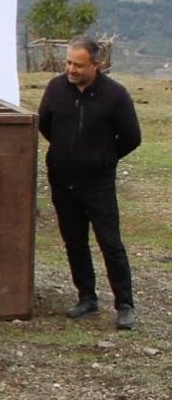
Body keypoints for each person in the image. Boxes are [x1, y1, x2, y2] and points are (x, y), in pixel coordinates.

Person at [38, 36, 141, 330]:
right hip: (62, 180)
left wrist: (104, 159)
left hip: (98, 184)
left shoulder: (115, 96)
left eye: (78, 65)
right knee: (74, 241)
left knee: (110, 243)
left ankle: (125, 305)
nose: (71, 69)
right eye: (69, 62)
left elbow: (132, 137)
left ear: (96, 65)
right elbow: (46, 124)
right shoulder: (56, 88)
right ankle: (86, 297)